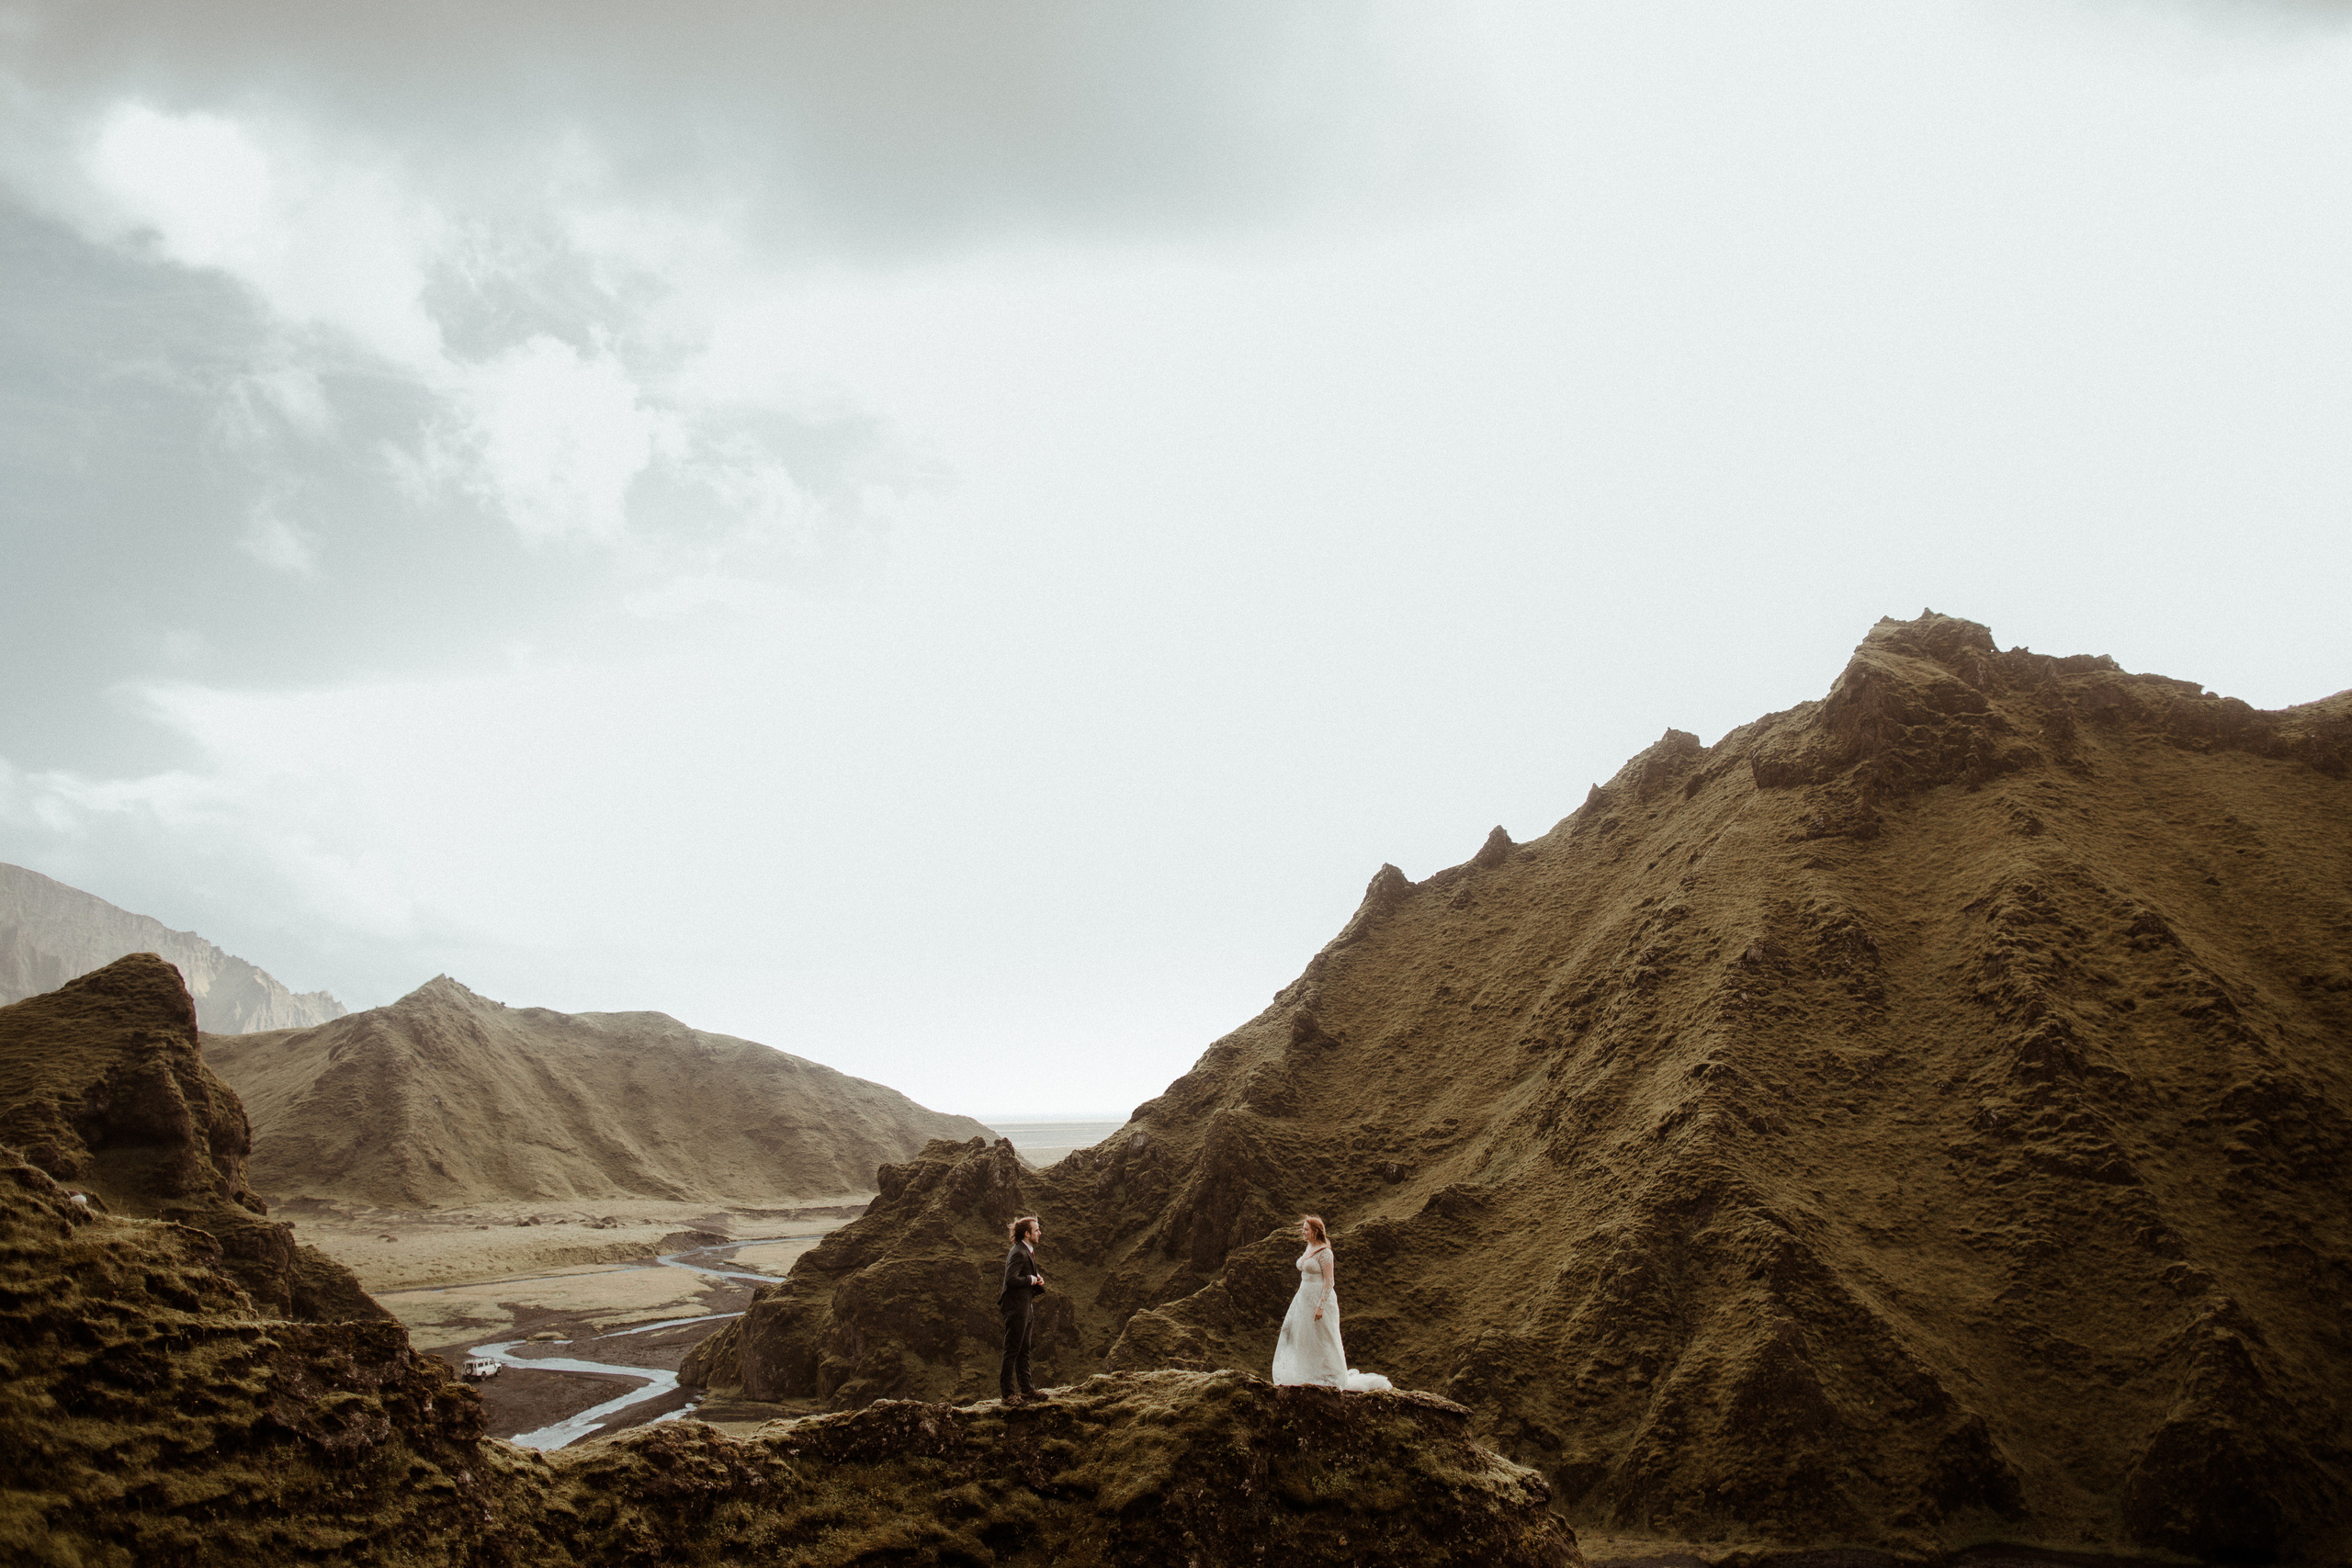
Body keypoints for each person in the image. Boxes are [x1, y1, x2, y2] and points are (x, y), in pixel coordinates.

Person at [1271, 1214, 1392, 1392]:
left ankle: (1329, 1374)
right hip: (1304, 1297)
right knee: (1305, 1335)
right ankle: (1308, 1372)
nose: (1302, 1232)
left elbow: (1329, 1282)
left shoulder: (1325, 1252)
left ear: (1315, 1232)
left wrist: (1321, 1305)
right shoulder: (1309, 1247)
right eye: (1303, 1229)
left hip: (1320, 1299)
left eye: (1306, 1229)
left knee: (1324, 1336)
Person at [998, 1214, 1048, 1404]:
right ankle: (1008, 1395)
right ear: (1027, 1233)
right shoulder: (1018, 1252)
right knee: (1012, 1349)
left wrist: (1036, 1282)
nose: (1039, 1233)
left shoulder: (1026, 1251)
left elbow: (1023, 1278)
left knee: (1024, 1349)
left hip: (1025, 1307)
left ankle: (1027, 1389)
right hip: (1016, 1308)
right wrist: (1031, 1279)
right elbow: (1011, 1280)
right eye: (1036, 1230)